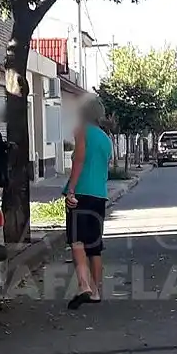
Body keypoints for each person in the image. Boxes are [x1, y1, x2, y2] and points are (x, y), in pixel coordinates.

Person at [64, 95, 113, 309]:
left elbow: (80, 159)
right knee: (94, 246)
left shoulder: (81, 130)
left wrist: (72, 188)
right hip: (99, 194)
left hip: (82, 192)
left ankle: (83, 285)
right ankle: (96, 292)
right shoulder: (105, 138)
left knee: (76, 241)